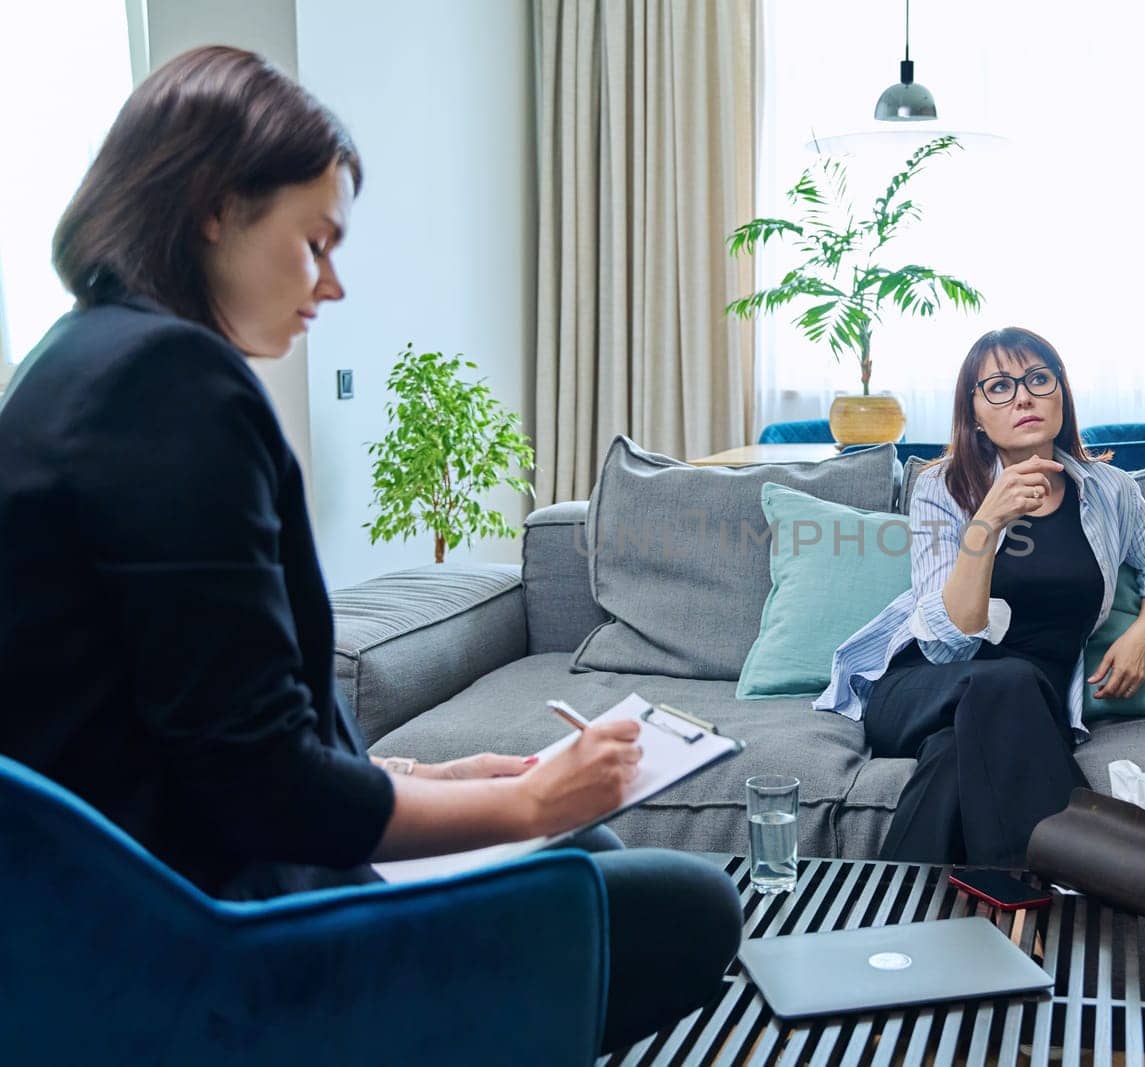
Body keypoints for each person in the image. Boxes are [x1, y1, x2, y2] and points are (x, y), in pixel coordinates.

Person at [0, 46, 740, 1054]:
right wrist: (524, 795)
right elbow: (256, 785)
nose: (333, 285)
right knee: (686, 905)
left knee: (587, 842)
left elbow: (190, 727)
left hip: (140, 883)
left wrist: (458, 778)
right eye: (315, 242)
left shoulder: (77, 361)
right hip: (196, 937)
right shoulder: (169, 387)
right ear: (214, 207)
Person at [814, 327, 1145, 867]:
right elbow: (953, 635)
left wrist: (1140, 635)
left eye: (1039, 379)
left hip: (1030, 708)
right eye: (998, 386)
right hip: (922, 687)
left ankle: (888, 915)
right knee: (1006, 677)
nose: (1022, 396)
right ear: (973, 413)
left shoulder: (1110, 489)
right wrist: (988, 521)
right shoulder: (941, 488)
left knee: (953, 759)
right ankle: (1098, 875)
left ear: (1061, 393)